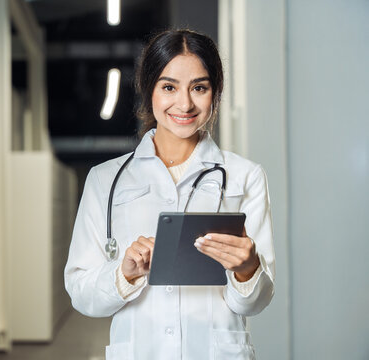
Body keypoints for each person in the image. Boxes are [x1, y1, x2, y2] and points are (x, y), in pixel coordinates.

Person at [64, 29, 275, 360]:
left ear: (215, 93)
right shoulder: (105, 180)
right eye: (169, 87)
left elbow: (255, 301)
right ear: (149, 90)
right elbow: (81, 294)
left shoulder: (245, 176)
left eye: (200, 88)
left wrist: (247, 268)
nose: (185, 103)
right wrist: (124, 274)